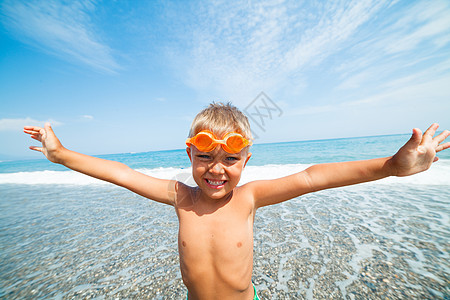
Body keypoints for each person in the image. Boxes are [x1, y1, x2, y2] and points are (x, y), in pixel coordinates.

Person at [24, 102, 449, 300]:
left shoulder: (248, 199)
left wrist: (392, 165)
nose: (216, 169)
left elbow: (312, 176)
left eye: (231, 159)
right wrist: (60, 155)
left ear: (247, 160)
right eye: (205, 156)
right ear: (189, 154)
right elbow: (121, 172)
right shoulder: (179, 197)